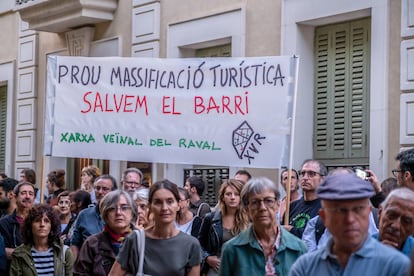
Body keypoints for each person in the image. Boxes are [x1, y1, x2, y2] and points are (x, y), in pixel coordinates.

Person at [289, 173, 410, 276]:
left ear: (369, 213)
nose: (350, 219)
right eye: (340, 210)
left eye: (358, 209)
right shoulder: (305, 268)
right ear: (324, 217)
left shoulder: (396, 266)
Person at [109, 179, 202, 276]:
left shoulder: (190, 245)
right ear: (150, 206)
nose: (165, 208)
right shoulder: (135, 240)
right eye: (158, 202)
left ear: (178, 205)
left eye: (170, 201)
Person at [219, 177, 307, 276]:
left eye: (268, 201)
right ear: (247, 209)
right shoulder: (232, 249)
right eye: (255, 202)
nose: (262, 208)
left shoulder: (298, 248)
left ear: (278, 205)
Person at [74, 190, 137, 276]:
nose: (118, 213)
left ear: (132, 213)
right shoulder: (92, 244)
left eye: (124, 207)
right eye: (112, 208)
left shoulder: (141, 241)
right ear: (105, 214)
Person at [199, 179, 249, 275]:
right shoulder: (210, 218)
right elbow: (199, 244)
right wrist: (207, 257)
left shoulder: (250, 219)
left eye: (236, 194)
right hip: (217, 269)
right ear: (222, 197)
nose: (232, 197)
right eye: (228, 194)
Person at [9, 204, 74, 276]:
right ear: (30, 225)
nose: (42, 224)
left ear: (52, 225)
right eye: (37, 220)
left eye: (46, 221)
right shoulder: (19, 254)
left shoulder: (64, 253)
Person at [71, 174, 117, 258]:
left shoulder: (119, 215)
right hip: (87, 265)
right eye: (97, 188)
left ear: (113, 192)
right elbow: (75, 243)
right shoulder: (84, 215)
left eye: (105, 189)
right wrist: (75, 265)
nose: (100, 192)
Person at [283, 159, 327, 238]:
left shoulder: (326, 208)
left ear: (322, 179)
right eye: (303, 173)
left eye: (311, 174)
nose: (305, 178)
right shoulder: (292, 207)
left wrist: (293, 231)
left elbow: (321, 237)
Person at [0, 182, 35, 270]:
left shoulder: (41, 220)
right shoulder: (4, 222)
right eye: (23, 193)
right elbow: (4, 251)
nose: (27, 196)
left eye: (31, 194)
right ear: (15, 197)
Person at [373, 187, 414, 257]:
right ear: (380, 212)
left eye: (406, 221)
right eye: (392, 215)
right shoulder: (360, 248)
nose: (396, 226)